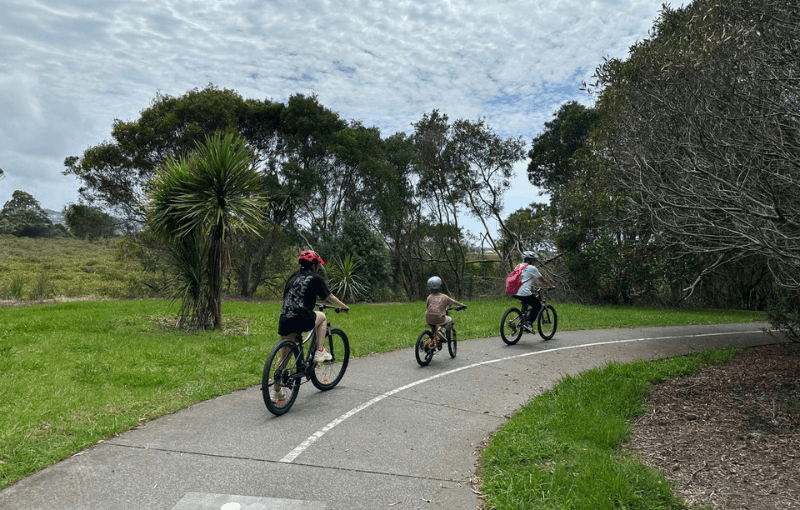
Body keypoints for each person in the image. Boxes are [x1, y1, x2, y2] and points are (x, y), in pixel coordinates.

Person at [272, 250, 348, 401]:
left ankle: (276, 393)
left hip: (285, 317)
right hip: (301, 318)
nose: (317, 268)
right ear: (313, 265)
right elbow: (329, 296)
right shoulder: (315, 278)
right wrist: (344, 306)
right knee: (322, 316)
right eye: (317, 265)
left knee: (285, 355)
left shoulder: (292, 278)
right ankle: (320, 350)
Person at [514, 251, 556, 328]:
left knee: (526, 301)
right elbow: (541, 279)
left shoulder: (518, 265)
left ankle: (522, 321)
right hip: (523, 292)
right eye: (534, 260)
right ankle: (529, 323)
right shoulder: (532, 268)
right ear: (528, 260)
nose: (535, 262)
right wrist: (550, 286)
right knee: (538, 306)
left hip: (513, 291)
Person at [424, 276, 466, 348]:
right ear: (440, 286)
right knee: (450, 321)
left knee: (433, 329)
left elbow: (428, 307)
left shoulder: (429, 297)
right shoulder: (444, 297)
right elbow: (453, 302)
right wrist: (461, 305)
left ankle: (432, 344)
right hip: (438, 318)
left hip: (428, 317)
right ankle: (442, 331)